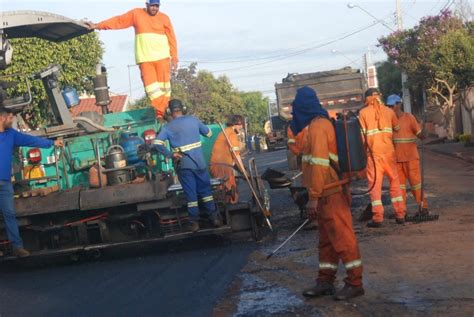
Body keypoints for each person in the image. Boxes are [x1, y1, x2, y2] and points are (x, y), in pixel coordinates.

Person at [292, 87, 364, 300]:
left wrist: (313, 197)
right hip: (326, 192)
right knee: (327, 240)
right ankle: (325, 281)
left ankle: (355, 282)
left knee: (343, 238)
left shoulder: (318, 127)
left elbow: (320, 164)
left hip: (330, 193)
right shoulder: (316, 125)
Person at [86, 0, 178, 120]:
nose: (155, 8)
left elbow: (172, 38)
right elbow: (119, 21)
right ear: (147, 4)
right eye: (152, 5)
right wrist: (98, 25)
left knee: (164, 89)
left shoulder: (165, 18)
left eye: (157, 6)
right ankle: (164, 113)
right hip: (145, 59)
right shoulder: (136, 14)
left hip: (162, 58)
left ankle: (161, 114)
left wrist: (174, 58)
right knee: (151, 90)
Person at [0, 107, 63, 257]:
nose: (13, 120)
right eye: (10, 117)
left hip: (5, 183)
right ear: (2, 118)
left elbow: (30, 140)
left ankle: (17, 247)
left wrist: (51, 143)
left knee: (9, 214)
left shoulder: (11, 135)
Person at [152, 99, 221, 232]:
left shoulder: (168, 127)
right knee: (206, 192)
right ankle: (214, 218)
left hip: (184, 166)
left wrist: (171, 155)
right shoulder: (194, 120)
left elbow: (157, 143)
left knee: (191, 195)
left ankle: (194, 223)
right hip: (199, 163)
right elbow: (209, 133)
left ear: (169, 111)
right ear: (183, 108)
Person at [359, 88, 407, 227]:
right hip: (389, 153)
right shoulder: (389, 111)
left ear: (367, 98)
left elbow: (362, 138)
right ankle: (400, 214)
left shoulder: (363, 113)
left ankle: (378, 218)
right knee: (395, 183)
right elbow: (397, 128)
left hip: (373, 156)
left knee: (375, 186)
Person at [386, 94, 428, 212]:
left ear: (399, 105)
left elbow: (421, 135)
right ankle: (401, 212)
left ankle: (423, 207)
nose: (389, 108)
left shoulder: (409, 118)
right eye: (388, 106)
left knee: (416, 185)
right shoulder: (388, 121)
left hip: (411, 158)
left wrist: (424, 130)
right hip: (396, 160)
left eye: (391, 105)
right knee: (399, 188)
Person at [210, 115, 244, 204]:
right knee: (229, 194)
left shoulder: (226, 132)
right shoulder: (231, 134)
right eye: (241, 125)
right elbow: (236, 156)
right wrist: (244, 171)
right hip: (222, 167)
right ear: (235, 124)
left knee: (226, 191)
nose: (242, 127)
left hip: (218, 165)